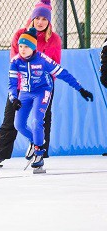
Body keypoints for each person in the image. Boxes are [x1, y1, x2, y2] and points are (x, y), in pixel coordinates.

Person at [0, 0, 61, 168]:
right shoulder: (20, 35)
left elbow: (55, 64)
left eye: (44, 19)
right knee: (11, 119)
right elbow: (15, 61)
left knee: (41, 119)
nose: (40, 22)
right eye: (37, 18)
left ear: (48, 21)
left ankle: (40, 153)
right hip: (22, 86)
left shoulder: (54, 39)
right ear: (32, 18)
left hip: (42, 87)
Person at [9, 28, 93, 173]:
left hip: (43, 91)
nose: (22, 50)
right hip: (25, 92)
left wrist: (80, 89)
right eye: (20, 46)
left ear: (34, 47)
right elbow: (11, 83)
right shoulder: (15, 61)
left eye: (26, 46)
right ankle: (34, 141)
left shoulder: (43, 60)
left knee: (36, 121)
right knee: (18, 124)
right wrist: (14, 98)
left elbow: (62, 73)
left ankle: (39, 154)